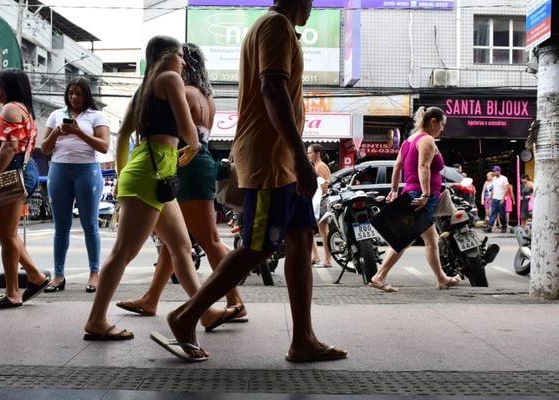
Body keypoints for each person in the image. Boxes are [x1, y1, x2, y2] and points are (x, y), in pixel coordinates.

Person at [155, 0, 347, 363]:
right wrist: (298, 156)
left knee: (302, 237)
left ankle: (303, 337)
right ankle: (186, 316)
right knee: (257, 246)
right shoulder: (274, 27)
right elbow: (272, 89)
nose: (311, 6)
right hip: (272, 159)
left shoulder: (278, 28)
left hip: (283, 161)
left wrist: (296, 158)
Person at [84, 36, 240, 340]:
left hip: (151, 172)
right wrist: (193, 147)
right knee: (123, 252)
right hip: (151, 173)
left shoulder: (143, 89)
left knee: (181, 247)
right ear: (168, 56)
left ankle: (204, 312)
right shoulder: (170, 78)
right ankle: (96, 319)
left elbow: (123, 133)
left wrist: (121, 172)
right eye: (181, 56)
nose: (183, 62)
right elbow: (187, 128)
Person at [115, 43, 247, 319]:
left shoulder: (181, 92)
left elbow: (179, 133)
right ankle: (151, 298)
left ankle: (235, 300)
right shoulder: (206, 97)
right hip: (200, 163)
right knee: (174, 241)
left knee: (208, 239)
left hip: (183, 163)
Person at [0, 68, 50, 309]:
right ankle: (35, 277)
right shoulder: (21, 110)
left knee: (6, 235)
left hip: (11, 173)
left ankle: (12, 292)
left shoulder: (10, 109)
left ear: (7, 88)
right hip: (16, 172)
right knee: (2, 230)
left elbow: (9, 148)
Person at [369, 106, 461, 292]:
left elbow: (397, 167)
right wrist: (426, 194)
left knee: (431, 239)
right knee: (404, 237)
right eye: (442, 124)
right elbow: (423, 167)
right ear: (433, 121)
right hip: (421, 195)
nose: (442, 129)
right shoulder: (427, 140)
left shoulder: (409, 141)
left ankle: (441, 279)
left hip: (413, 193)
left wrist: (394, 190)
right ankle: (379, 276)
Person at [41, 77, 110, 293]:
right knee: (61, 227)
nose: (74, 97)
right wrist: (56, 132)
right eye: (71, 93)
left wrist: (79, 132)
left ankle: (94, 273)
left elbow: (104, 147)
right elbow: (44, 149)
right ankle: (58, 275)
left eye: (79, 93)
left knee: (90, 224)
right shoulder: (56, 115)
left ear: (86, 95)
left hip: (87, 170)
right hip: (59, 170)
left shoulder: (97, 116)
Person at [308, 143, 333, 268]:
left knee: (324, 232)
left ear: (317, 154)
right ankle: (315, 256)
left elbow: (324, 186)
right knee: (310, 229)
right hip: (316, 202)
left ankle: (327, 259)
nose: (308, 155)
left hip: (321, 202)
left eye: (310, 153)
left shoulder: (321, 166)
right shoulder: (316, 166)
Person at [484, 166, 508, 233]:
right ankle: (489, 227)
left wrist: (503, 199)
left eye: (496, 171)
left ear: (499, 171)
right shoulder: (494, 179)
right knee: (493, 213)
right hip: (494, 198)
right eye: (494, 171)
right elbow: (493, 189)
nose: (495, 172)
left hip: (501, 199)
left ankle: (504, 227)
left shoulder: (504, 178)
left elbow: (506, 189)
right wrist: (490, 198)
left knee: (502, 214)